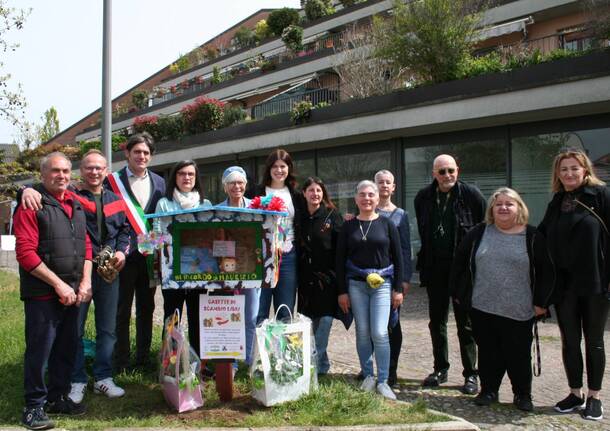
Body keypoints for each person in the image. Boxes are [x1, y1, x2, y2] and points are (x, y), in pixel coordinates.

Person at [20, 150, 132, 403]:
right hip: (79, 272)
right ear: (81, 171)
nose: (94, 172)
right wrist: (25, 189)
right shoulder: (71, 197)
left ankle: (103, 377)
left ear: (106, 171)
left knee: (108, 329)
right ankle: (77, 379)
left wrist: (122, 253)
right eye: (89, 167)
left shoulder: (116, 199)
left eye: (99, 168)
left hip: (109, 273)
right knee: (75, 330)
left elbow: (126, 232)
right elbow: (42, 188)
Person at [450, 187, 552, 412]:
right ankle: (488, 390)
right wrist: (459, 294)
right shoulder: (479, 233)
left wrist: (541, 303)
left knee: (518, 355)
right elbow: (459, 263)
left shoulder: (533, 236)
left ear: (519, 208)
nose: (504, 208)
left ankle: (522, 394)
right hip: (482, 307)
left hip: (520, 309)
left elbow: (547, 272)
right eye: (499, 204)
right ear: (492, 210)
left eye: (509, 204)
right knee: (488, 353)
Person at [14, 152, 92, 430]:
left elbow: (86, 247)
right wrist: (58, 284)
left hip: (74, 293)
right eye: (56, 171)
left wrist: (85, 282)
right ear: (42, 174)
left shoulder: (75, 203)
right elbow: (24, 253)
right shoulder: (31, 204)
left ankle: (58, 397)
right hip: (43, 294)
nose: (62, 176)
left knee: (66, 349)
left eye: (66, 171)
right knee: (40, 351)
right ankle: (33, 407)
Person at [538, 149, 610, 421]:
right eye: (563, 169)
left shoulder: (601, 196)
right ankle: (574, 393)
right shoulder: (558, 201)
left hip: (595, 283)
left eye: (574, 168)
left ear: (585, 171)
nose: (568, 173)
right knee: (569, 341)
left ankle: (594, 396)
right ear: (557, 174)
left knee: (594, 342)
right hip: (564, 286)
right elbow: (542, 236)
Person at [414, 154, 485, 394]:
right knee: (437, 322)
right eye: (442, 171)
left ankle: (471, 374)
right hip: (435, 268)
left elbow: (483, 229)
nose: (447, 176)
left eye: (451, 170)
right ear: (434, 174)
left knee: (465, 324)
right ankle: (440, 368)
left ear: (458, 170)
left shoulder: (471, 195)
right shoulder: (423, 197)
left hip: (463, 271)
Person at [337, 180, 403, 400]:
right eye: (362, 195)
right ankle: (368, 376)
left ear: (377, 199)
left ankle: (383, 381)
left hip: (383, 285)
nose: (366, 198)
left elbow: (399, 257)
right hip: (356, 285)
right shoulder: (348, 227)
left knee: (380, 332)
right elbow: (339, 260)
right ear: (356, 199)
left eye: (370, 195)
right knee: (363, 332)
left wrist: (398, 288)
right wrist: (342, 291)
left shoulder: (387, 224)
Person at [108, 132, 166, 371]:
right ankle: (121, 360)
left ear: (150, 156)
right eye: (137, 152)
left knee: (147, 307)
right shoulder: (112, 181)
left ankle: (142, 359)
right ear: (127, 154)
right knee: (121, 309)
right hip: (123, 256)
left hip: (150, 254)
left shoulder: (160, 182)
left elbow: (161, 219)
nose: (141, 156)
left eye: (146, 153)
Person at [153, 160, 211, 357]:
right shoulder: (164, 203)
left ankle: (197, 362)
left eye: (191, 174)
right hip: (172, 271)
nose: (187, 178)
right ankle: (169, 363)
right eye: (182, 174)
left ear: (196, 178)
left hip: (199, 271)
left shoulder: (206, 204)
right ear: (175, 177)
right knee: (172, 316)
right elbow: (157, 234)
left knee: (197, 317)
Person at [249, 149, 303, 323]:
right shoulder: (256, 192)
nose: (279, 170)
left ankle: (284, 351)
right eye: (275, 166)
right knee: (259, 310)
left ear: (289, 168)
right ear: (268, 168)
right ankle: (256, 350)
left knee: (285, 310)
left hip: (288, 255)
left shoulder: (296, 194)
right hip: (260, 255)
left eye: (283, 166)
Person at [297, 177, 343, 375]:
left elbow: (342, 249)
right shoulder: (299, 218)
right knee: (308, 326)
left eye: (318, 190)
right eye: (311, 190)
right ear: (304, 193)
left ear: (323, 193)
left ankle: (312, 368)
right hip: (306, 281)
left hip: (328, 280)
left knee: (323, 324)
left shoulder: (333, 215)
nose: (315, 194)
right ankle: (323, 366)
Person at [216, 166, 260, 367]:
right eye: (232, 183)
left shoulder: (256, 207)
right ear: (225, 187)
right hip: (227, 270)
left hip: (252, 269)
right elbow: (215, 241)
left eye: (240, 182)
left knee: (250, 317)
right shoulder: (217, 210)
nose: (237, 186)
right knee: (230, 317)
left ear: (245, 185)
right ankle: (231, 361)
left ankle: (248, 359)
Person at [374, 170, 412, 386]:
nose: (384, 186)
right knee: (372, 326)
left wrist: (405, 279)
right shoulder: (367, 211)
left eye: (388, 182)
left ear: (394, 187)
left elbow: (405, 250)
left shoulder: (400, 215)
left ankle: (391, 369)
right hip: (369, 277)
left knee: (392, 325)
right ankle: (371, 368)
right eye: (380, 182)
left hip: (392, 279)